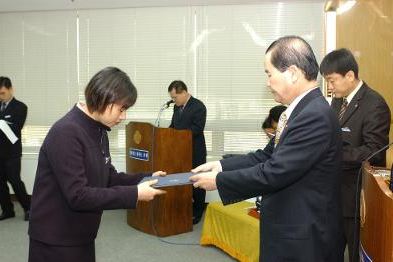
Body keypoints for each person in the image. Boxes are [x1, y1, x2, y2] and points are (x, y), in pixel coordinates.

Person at [190, 36, 344, 262]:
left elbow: (274, 172)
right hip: (289, 228)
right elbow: (266, 156)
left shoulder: (314, 116)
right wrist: (221, 165)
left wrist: (219, 180)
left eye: (269, 74)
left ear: (292, 72)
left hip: (302, 240)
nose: (267, 82)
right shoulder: (297, 112)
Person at [28, 67, 166, 262]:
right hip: (57, 239)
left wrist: (147, 178)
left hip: (81, 233)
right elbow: (78, 195)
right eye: (122, 108)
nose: (123, 116)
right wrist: (135, 193)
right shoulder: (66, 132)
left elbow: (108, 177)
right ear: (104, 99)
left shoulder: (98, 130)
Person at [320, 48, 391, 262]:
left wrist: (333, 155)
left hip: (357, 198)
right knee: (329, 253)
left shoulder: (374, 104)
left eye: (332, 81)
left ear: (350, 75)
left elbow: (374, 151)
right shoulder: (338, 101)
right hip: (333, 195)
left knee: (355, 256)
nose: (329, 88)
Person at [168, 80, 207, 224]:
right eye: (172, 97)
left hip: (195, 151)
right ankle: (184, 208)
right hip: (178, 152)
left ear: (183, 93)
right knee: (181, 180)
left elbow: (197, 129)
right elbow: (173, 126)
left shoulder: (198, 106)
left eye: (175, 97)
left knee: (197, 182)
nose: (173, 100)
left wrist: (178, 135)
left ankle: (197, 212)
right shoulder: (176, 108)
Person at [0, 76, 30, 221]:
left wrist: (0, 125)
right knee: (0, 182)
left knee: (15, 180)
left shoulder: (20, 107)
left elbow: (17, 127)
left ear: (10, 89)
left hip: (11, 152)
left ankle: (29, 208)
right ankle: (7, 211)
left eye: (3, 93)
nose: (0, 96)